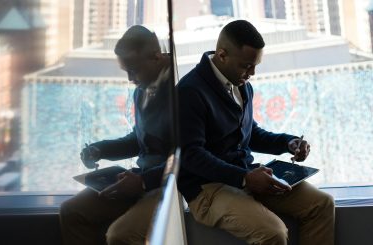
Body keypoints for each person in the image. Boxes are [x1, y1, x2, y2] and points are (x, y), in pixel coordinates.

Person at [177, 20, 335, 245]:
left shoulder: (240, 83)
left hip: (244, 175)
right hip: (207, 189)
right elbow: (191, 155)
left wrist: (288, 143)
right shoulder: (189, 92)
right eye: (246, 65)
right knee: (273, 233)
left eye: (255, 65)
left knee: (322, 204)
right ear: (222, 55)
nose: (252, 73)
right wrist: (244, 178)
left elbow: (250, 132)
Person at [59, 25, 174, 245]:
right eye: (126, 71)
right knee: (71, 211)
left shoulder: (184, 90)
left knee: (119, 236)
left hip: (171, 187)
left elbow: (188, 157)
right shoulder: (143, 88)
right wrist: (100, 149)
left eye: (134, 70)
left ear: (156, 57)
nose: (131, 79)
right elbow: (140, 140)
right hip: (144, 178)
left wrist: (141, 182)